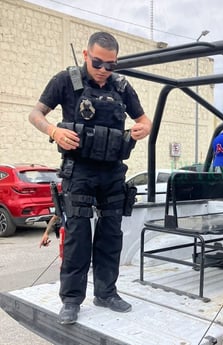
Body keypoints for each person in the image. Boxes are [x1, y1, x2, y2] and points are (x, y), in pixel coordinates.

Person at [29, 31, 152, 325]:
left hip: (112, 171)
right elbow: (35, 114)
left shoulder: (122, 87)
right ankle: (71, 300)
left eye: (111, 65)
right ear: (86, 55)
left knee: (111, 236)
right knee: (77, 237)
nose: (104, 71)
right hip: (80, 171)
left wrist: (144, 128)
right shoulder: (65, 81)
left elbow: (144, 119)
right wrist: (54, 131)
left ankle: (106, 293)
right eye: (98, 63)